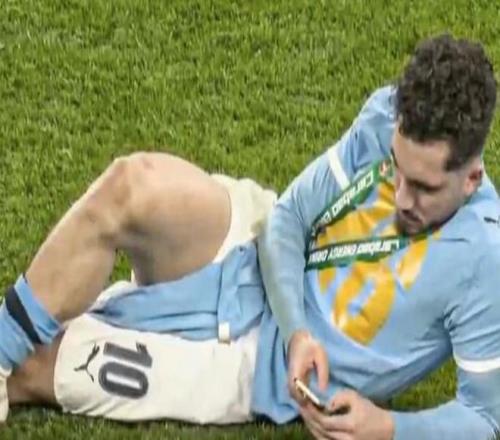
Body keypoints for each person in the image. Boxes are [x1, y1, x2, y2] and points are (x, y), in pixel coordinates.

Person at [1, 34, 499, 440]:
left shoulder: (485, 259)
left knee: (41, 367)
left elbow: (484, 417)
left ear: (471, 178)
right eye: (395, 169)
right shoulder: (385, 118)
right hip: (250, 244)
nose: (401, 197)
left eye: (424, 188)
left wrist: (388, 428)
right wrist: (298, 329)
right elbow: (289, 219)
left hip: (254, 364)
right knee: (132, 185)